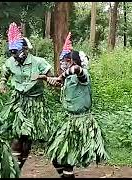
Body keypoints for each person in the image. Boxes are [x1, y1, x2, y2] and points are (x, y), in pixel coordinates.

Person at [44, 33, 108, 178]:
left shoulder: (83, 75)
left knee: (67, 160)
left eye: (67, 60)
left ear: (74, 62)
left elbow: (76, 70)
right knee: (55, 158)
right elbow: (59, 82)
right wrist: (46, 78)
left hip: (81, 122)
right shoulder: (69, 78)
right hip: (70, 121)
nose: (64, 63)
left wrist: (61, 76)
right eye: (64, 60)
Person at [0, 22, 58, 169]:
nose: (14, 55)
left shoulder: (39, 62)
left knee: (33, 138)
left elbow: (54, 80)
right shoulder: (10, 62)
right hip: (19, 102)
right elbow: (5, 74)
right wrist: (2, 83)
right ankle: (14, 169)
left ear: (25, 49)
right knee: (19, 136)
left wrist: (44, 78)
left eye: (16, 52)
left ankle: (62, 165)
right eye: (11, 52)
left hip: (36, 103)